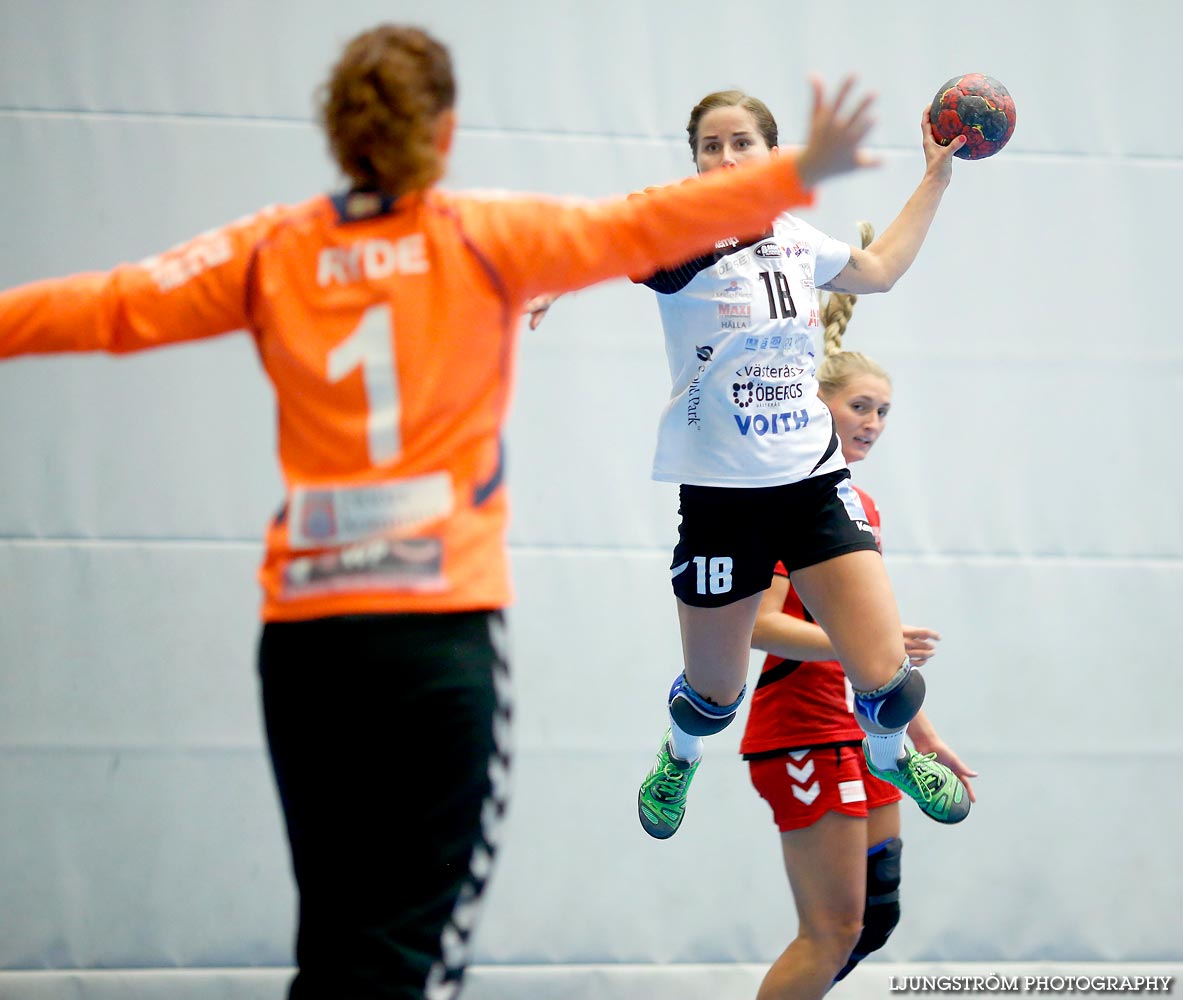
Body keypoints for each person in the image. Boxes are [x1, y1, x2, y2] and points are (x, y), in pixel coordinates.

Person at [0, 25, 882, 1000]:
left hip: (306, 640)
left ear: (336, 132)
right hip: (435, 634)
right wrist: (798, 168)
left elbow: (113, 305)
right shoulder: (485, 233)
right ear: (446, 132)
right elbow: (641, 228)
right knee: (409, 952)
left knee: (336, 938)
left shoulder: (274, 247)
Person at [530, 88, 971, 839]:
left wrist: (934, 177)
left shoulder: (797, 239)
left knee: (889, 678)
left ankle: (890, 756)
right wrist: (550, 282)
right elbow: (606, 240)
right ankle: (679, 757)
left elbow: (878, 269)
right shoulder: (683, 233)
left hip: (811, 485)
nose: (726, 157)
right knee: (712, 695)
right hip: (720, 498)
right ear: (697, 162)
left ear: (770, 154)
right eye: (711, 146)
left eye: (741, 143)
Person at [740, 224, 978, 999]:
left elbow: (874, 645)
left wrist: (924, 733)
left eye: (883, 411)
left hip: (865, 732)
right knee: (830, 930)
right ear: (818, 408)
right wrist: (848, 649)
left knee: (871, 922)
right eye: (860, 407)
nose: (873, 422)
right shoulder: (787, 503)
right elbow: (756, 628)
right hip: (803, 729)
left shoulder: (860, 505)